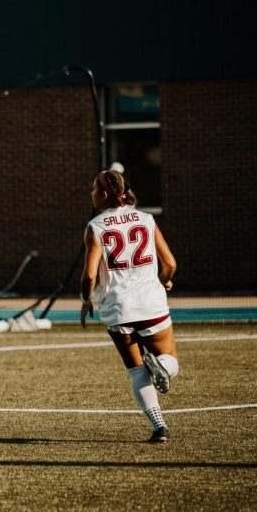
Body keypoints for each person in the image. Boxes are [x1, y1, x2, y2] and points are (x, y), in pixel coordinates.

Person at [80, 169, 179, 443]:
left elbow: (89, 275)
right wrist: (165, 280)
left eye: (93, 190)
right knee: (170, 360)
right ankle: (161, 366)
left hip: (118, 307)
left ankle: (159, 427)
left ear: (103, 194)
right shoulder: (146, 219)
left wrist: (86, 299)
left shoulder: (96, 226)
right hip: (151, 303)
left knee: (136, 370)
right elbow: (170, 263)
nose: (91, 194)